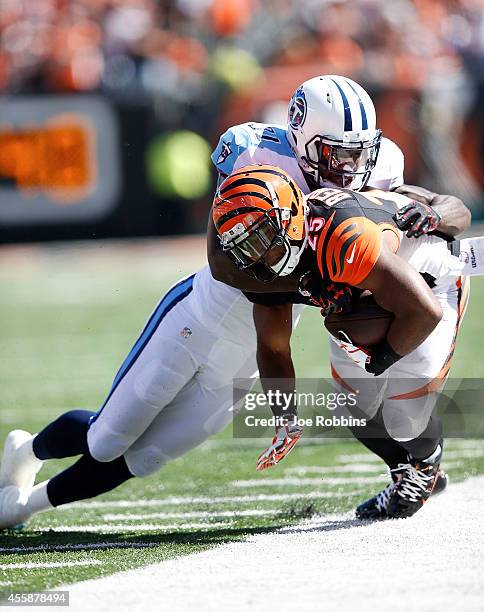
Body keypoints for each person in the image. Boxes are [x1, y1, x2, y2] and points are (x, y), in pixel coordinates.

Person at [0, 75, 469, 529]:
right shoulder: (255, 154)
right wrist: (314, 283)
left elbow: (281, 334)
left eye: (357, 154)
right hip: (198, 320)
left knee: (146, 458)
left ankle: (23, 507)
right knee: (106, 440)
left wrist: (386, 254)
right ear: (303, 140)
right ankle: (26, 450)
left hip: (246, 356)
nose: (350, 168)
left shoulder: (379, 168)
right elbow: (228, 263)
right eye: (336, 154)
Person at [211, 165, 483, 519]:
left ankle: (426, 463)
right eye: (244, 246)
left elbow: (424, 311)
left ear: (291, 220)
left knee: (405, 421)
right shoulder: (265, 266)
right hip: (373, 291)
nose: (257, 256)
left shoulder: (343, 237)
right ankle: (407, 470)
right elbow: (273, 346)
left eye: (262, 239)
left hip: (431, 286)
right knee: (353, 409)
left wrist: (378, 358)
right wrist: (285, 416)